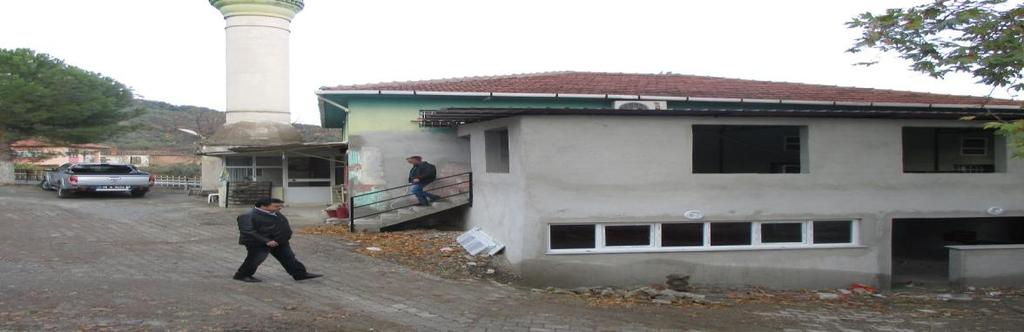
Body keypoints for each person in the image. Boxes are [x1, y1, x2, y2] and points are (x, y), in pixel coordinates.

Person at [233, 198, 323, 283]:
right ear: (263, 206)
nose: (279, 208)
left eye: (280, 206)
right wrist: (266, 241)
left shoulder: (274, 212)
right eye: (276, 206)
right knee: (255, 259)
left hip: (279, 241)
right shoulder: (247, 216)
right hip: (258, 243)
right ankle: (242, 275)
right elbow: (248, 231)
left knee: (288, 257)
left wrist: (286, 235)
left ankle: (300, 274)